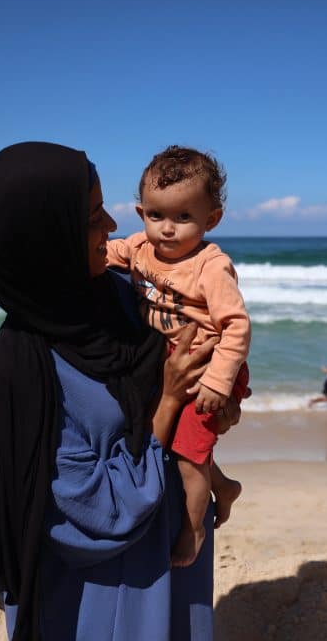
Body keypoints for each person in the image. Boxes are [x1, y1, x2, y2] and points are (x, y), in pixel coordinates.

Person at [0, 142, 239, 641]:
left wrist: (221, 400)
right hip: (106, 584)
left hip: (172, 549)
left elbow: (207, 351)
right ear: (45, 240)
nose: (110, 225)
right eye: (90, 217)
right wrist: (169, 401)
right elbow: (92, 511)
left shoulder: (126, 297)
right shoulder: (25, 373)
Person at [107, 146, 251, 568]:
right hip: (169, 359)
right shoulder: (138, 248)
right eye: (156, 216)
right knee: (173, 440)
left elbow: (237, 327)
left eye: (183, 218)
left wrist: (218, 382)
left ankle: (193, 529)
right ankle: (223, 486)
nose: (167, 229)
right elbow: (103, 255)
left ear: (211, 220)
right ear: (141, 212)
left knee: (188, 454)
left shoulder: (210, 265)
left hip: (209, 365)